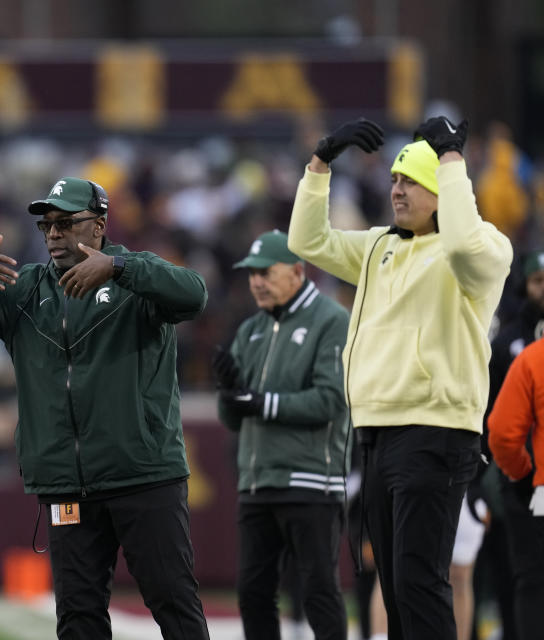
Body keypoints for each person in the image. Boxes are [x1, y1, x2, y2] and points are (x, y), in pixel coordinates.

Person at [0, 177, 210, 639]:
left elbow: (194, 294)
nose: (53, 234)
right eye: (46, 225)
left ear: (98, 226)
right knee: (77, 619)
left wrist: (119, 269)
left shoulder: (137, 274)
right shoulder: (25, 290)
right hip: (67, 482)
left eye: (65, 223)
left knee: (174, 604)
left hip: (142, 474)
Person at [287, 115, 512, 639]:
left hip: (435, 430)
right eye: (392, 179)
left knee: (419, 582)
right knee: (394, 586)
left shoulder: (484, 248)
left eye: (410, 180)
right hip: (378, 432)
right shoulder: (378, 248)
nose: (396, 189)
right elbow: (306, 240)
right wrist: (320, 163)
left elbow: (461, 245)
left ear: (442, 190)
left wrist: (452, 156)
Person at [214, 229, 350, 640]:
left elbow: (330, 400)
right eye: (251, 273)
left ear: (297, 270)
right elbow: (232, 418)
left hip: (311, 479)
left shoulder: (331, 319)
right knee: (253, 594)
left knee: (318, 591)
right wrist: (230, 392)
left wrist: (259, 402)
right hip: (257, 481)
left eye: (264, 272)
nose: (256, 281)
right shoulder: (250, 329)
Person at [486, 252, 544, 640]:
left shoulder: (531, 358)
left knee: (532, 582)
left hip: (538, 488)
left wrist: (524, 473)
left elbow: (502, 432)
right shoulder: (513, 344)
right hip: (526, 483)